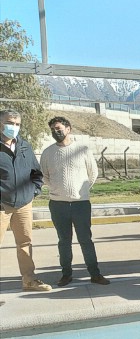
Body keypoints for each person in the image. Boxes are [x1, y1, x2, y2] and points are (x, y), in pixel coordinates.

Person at [40, 116, 109, 286]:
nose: (56, 132)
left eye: (58, 128)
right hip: (58, 205)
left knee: (86, 240)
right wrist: (58, 190)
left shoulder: (83, 149)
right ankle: (66, 275)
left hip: (80, 204)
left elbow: (92, 174)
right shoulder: (48, 153)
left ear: (68, 128)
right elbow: (45, 176)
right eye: (53, 130)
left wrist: (81, 192)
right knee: (64, 241)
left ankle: (95, 274)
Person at [0, 109, 51, 291]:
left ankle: (29, 280)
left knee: (25, 243)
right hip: (2, 206)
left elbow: (36, 173)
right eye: (9, 123)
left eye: (17, 124)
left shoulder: (24, 146)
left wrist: (33, 191)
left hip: (23, 204)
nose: (13, 127)